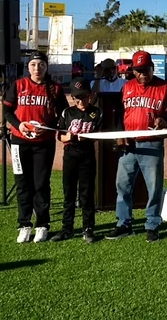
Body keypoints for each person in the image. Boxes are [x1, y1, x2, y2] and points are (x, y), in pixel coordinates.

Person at [105, 50, 167, 243]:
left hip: (151, 144)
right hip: (129, 144)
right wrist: (120, 135)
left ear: (152, 68)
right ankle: (123, 223)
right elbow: (120, 114)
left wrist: (164, 119)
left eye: (145, 69)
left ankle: (152, 224)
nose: (142, 74)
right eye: (138, 70)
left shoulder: (164, 87)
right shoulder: (127, 87)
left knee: (153, 186)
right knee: (122, 185)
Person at [3, 52, 70, 243]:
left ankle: (42, 225)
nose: (37, 68)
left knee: (41, 184)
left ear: (46, 67)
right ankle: (24, 224)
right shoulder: (18, 85)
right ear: (28, 67)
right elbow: (7, 111)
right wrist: (19, 125)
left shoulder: (54, 89)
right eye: (33, 65)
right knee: (23, 184)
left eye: (40, 65)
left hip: (43, 143)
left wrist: (50, 126)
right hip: (19, 142)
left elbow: (63, 114)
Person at [51, 77, 104, 244]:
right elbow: (59, 133)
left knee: (87, 194)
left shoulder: (97, 112)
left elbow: (101, 133)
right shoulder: (67, 112)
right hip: (70, 156)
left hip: (87, 157)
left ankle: (88, 228)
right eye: (77, 98)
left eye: (84, 97)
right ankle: (67, 228)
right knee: (69, 193)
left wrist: (87, 137)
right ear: (72, 98)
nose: (81, 101)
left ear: (90, 95)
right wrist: (67, 137)